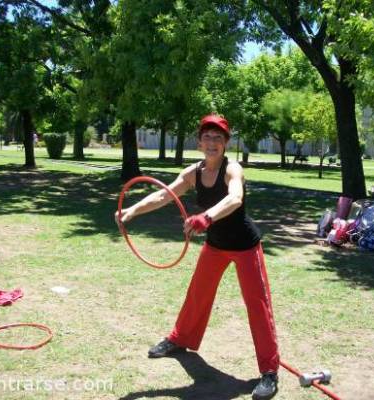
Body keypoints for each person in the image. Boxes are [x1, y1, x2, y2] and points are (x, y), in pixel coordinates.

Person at [115, 114, 280, 400]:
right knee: (197, 294)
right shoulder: (194, 172)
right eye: (207, 137)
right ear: (199, 141)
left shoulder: (232, 169)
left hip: (244, 246)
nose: (212, 142)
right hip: (215, 245)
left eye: (218, 137)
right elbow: (164, 196)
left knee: (258, 305)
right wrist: (132, 211)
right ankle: (180, 340)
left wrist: (206, 216)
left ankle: (269, 372)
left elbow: (234, 199)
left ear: (226, 142)